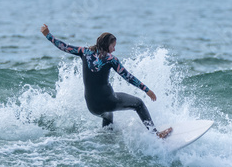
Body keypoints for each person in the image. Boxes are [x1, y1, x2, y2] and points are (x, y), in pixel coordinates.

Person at [41, 24, 172, 138]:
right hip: (109, 100)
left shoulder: (84, 52)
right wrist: (147, 90)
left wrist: (48, 35)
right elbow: (128, 76)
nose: (114, 49)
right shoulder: (110, 59)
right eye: (113, 46)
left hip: (92, 106)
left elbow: (64, 46)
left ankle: (107, 140)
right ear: (107, 45)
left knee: (107, 115)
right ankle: (156, 134)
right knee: (139, 104)